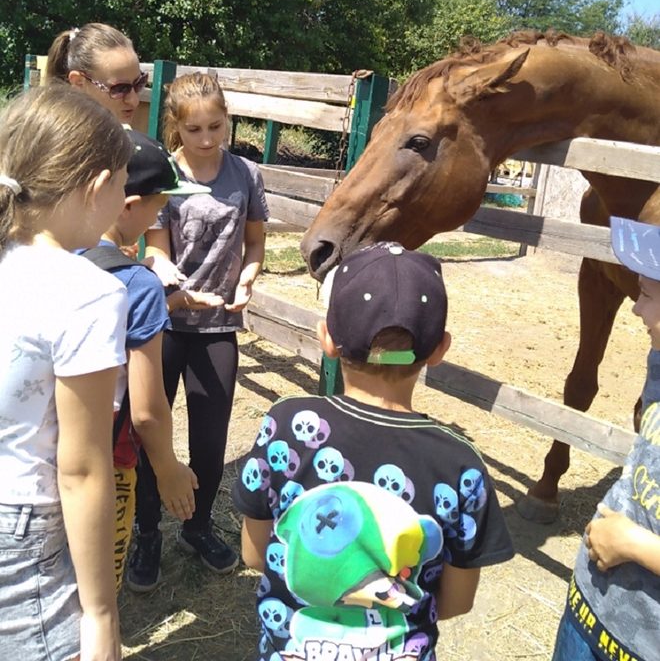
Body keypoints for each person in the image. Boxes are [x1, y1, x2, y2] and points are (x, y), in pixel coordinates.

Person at [232, 242, 515, 661]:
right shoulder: (460, 464)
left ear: (327, 338)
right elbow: (456, 602)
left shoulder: (286, 427)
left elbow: (256, 555)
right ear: (439, 350)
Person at [0, 84, 132, 661]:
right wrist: (100, 613)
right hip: (23, 528)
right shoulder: (88, 294)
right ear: (98, 187)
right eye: (124, 185)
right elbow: (79, 469)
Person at [128, 72, 269, 591]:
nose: (207, 138)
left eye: (216, 126)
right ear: (176, 127)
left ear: (227, 119)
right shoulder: (162, 174)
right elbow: (157, 247)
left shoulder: (247, 175)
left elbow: (255, 245)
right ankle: (147, 531)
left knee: (210, 441)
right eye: (195, 129)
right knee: (151, 434)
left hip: (217, 325)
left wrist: (250, 275)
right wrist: (169, 277)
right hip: (164, 320)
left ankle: (197, 525)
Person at [89, 128, 225, 592]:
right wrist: (168, 469)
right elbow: (146, 412)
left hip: (50, 450)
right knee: (100, 587)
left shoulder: (53, 256)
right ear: (129, 205)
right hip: (110, 456)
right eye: (159, 202)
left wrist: (180, 303)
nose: (161, 212)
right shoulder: (139, 284)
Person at [552, 216, 660, 661]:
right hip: (589, 608)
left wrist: (634, 544)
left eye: (648, 294)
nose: (635, 307)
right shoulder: (659, 362)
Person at [46, 22, 146, 124]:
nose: (134, 100)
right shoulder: (48, 138)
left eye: (139, 83)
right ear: (78, 83)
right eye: (120, 89)